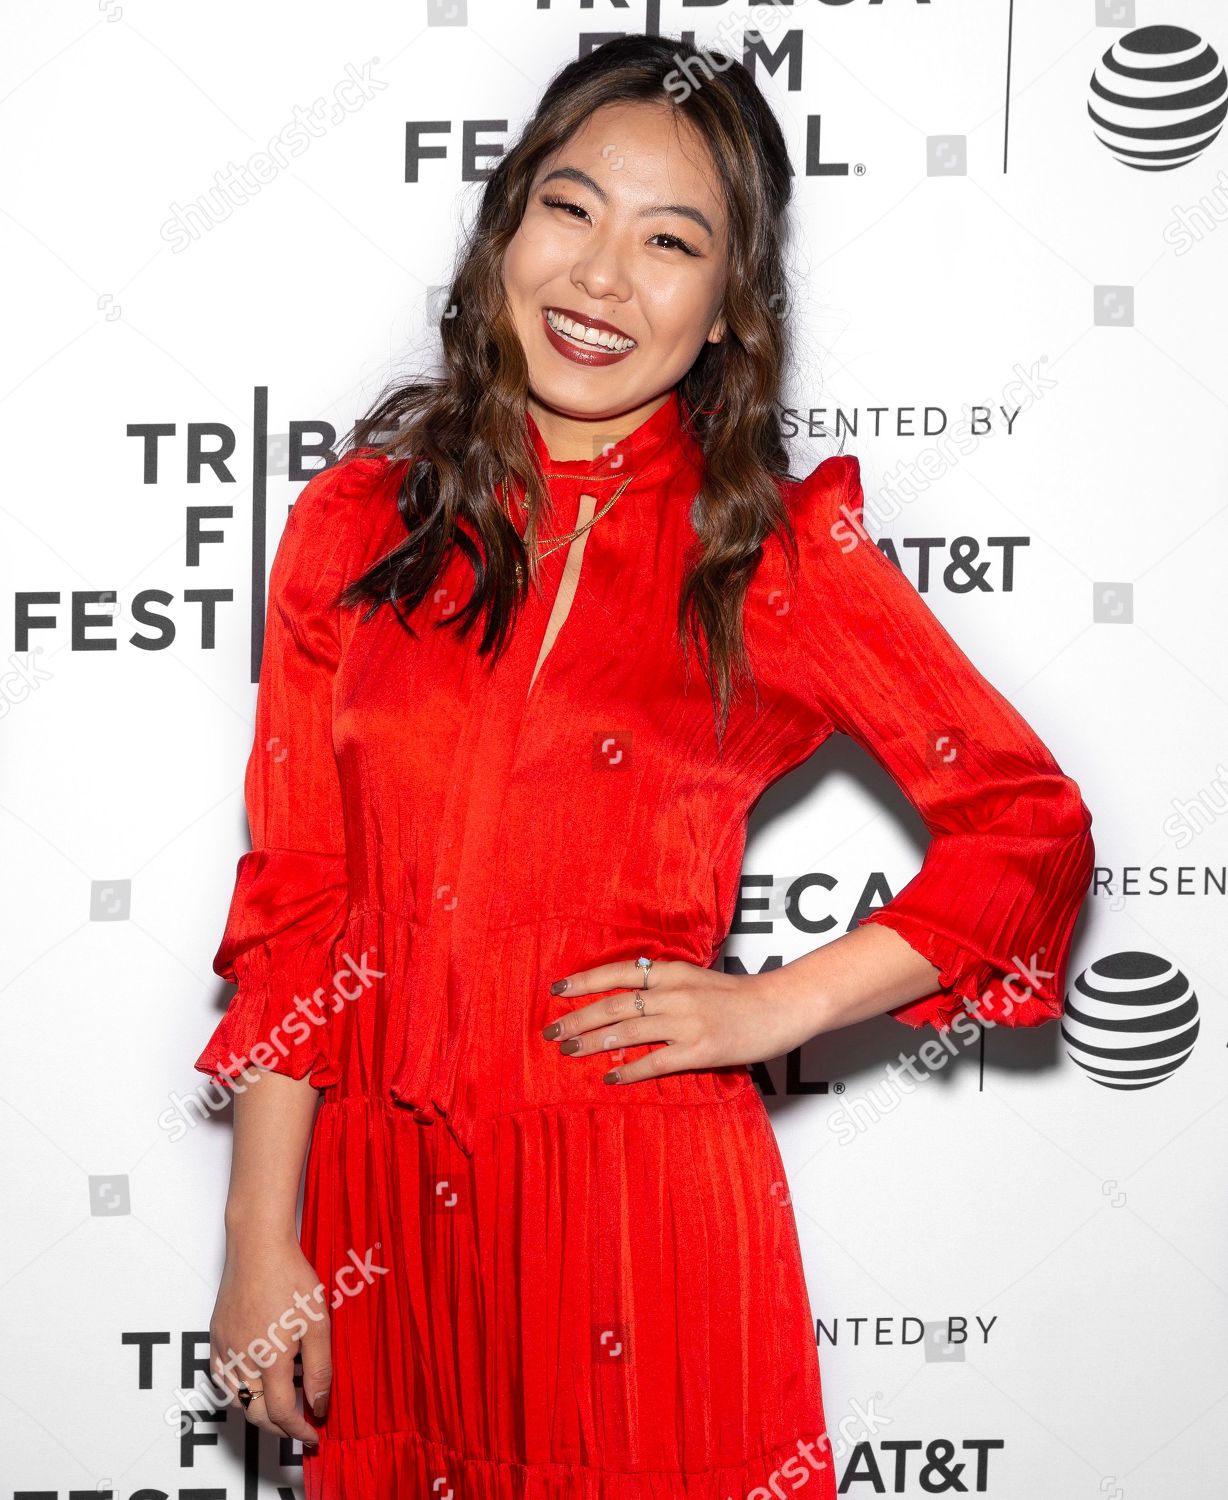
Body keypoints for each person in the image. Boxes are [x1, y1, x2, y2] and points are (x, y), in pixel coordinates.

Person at [195, 33, 1095, 1500]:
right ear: (505, 231)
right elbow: (301, 902)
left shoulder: (774, 556)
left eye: (671, 242)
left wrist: (779, 1006)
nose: (603, 278)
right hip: (383, 1220)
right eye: (570, 209)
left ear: (732, 307)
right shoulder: (354, 527)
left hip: (636, 1214)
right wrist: (257, 1238)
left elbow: (1029, 826)